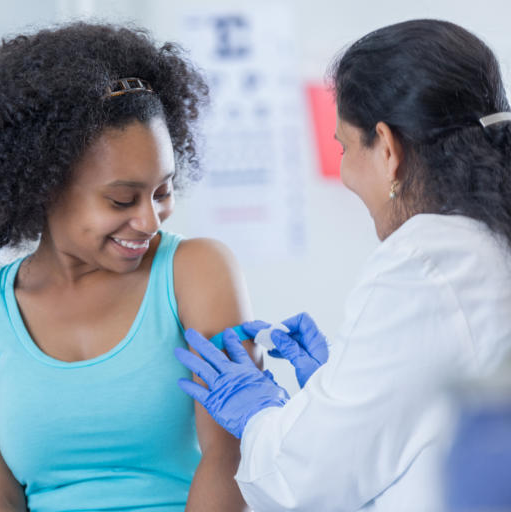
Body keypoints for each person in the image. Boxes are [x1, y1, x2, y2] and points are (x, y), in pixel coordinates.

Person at [174, 19, 511, 511]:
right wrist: (337, 386)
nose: (345, 169)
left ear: (388, 147)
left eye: (343, 147)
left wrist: (261, 415)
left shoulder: (426, 260)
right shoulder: (485, 240)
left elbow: (308, 481)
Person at [0, 22, 257, 511]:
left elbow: (228, 460)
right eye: (122, 198)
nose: (149, 219)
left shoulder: (196, 272)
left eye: (162, 191)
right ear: (44, 186)